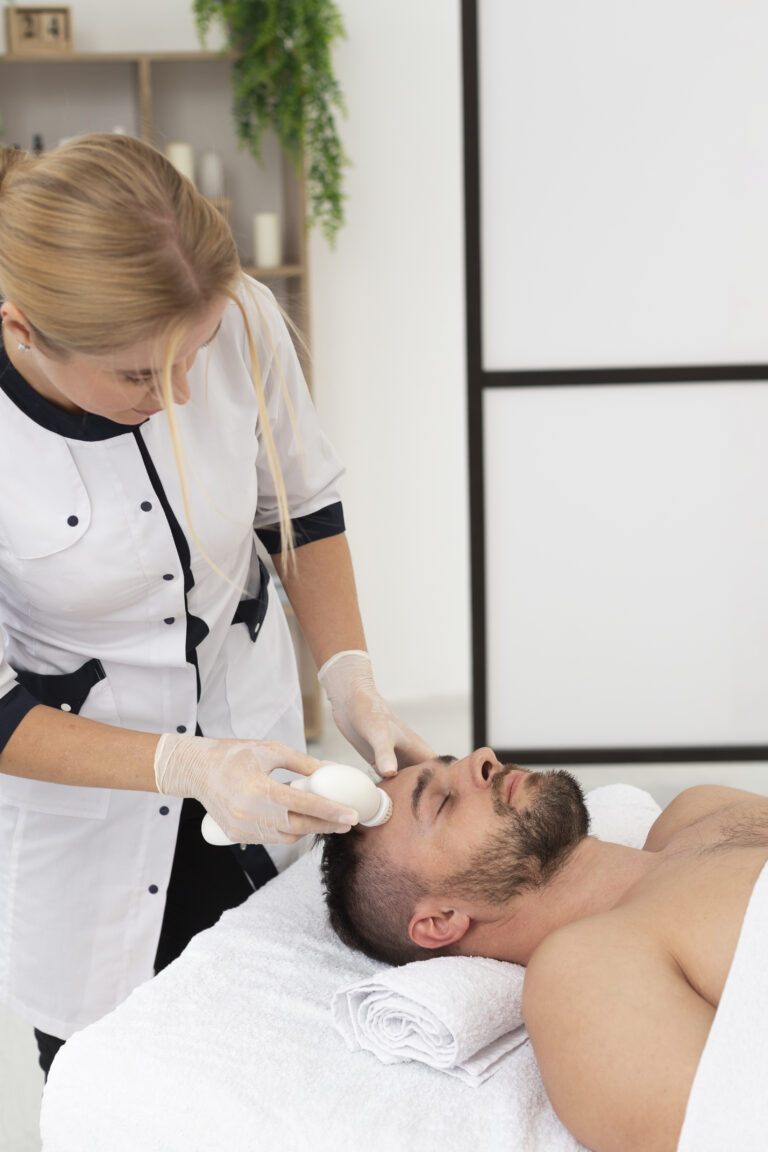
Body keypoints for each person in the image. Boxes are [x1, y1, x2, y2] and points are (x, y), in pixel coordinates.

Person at [0, 133, 435, 1078]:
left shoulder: (241, 318)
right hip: (89, 818)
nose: (181, 393)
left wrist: (349, 679)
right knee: (113, 1087)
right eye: (138, 377)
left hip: (257, 756)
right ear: (23, 330)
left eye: (193, 356)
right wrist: (182, 763)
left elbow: (301, 510)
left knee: (271, 1063)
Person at [320, 748, 768, 1152]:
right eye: (442, 801)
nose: (483, 757)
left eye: (452, 764)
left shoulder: (702, 809)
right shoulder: (584, 975)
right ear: (441, 921)